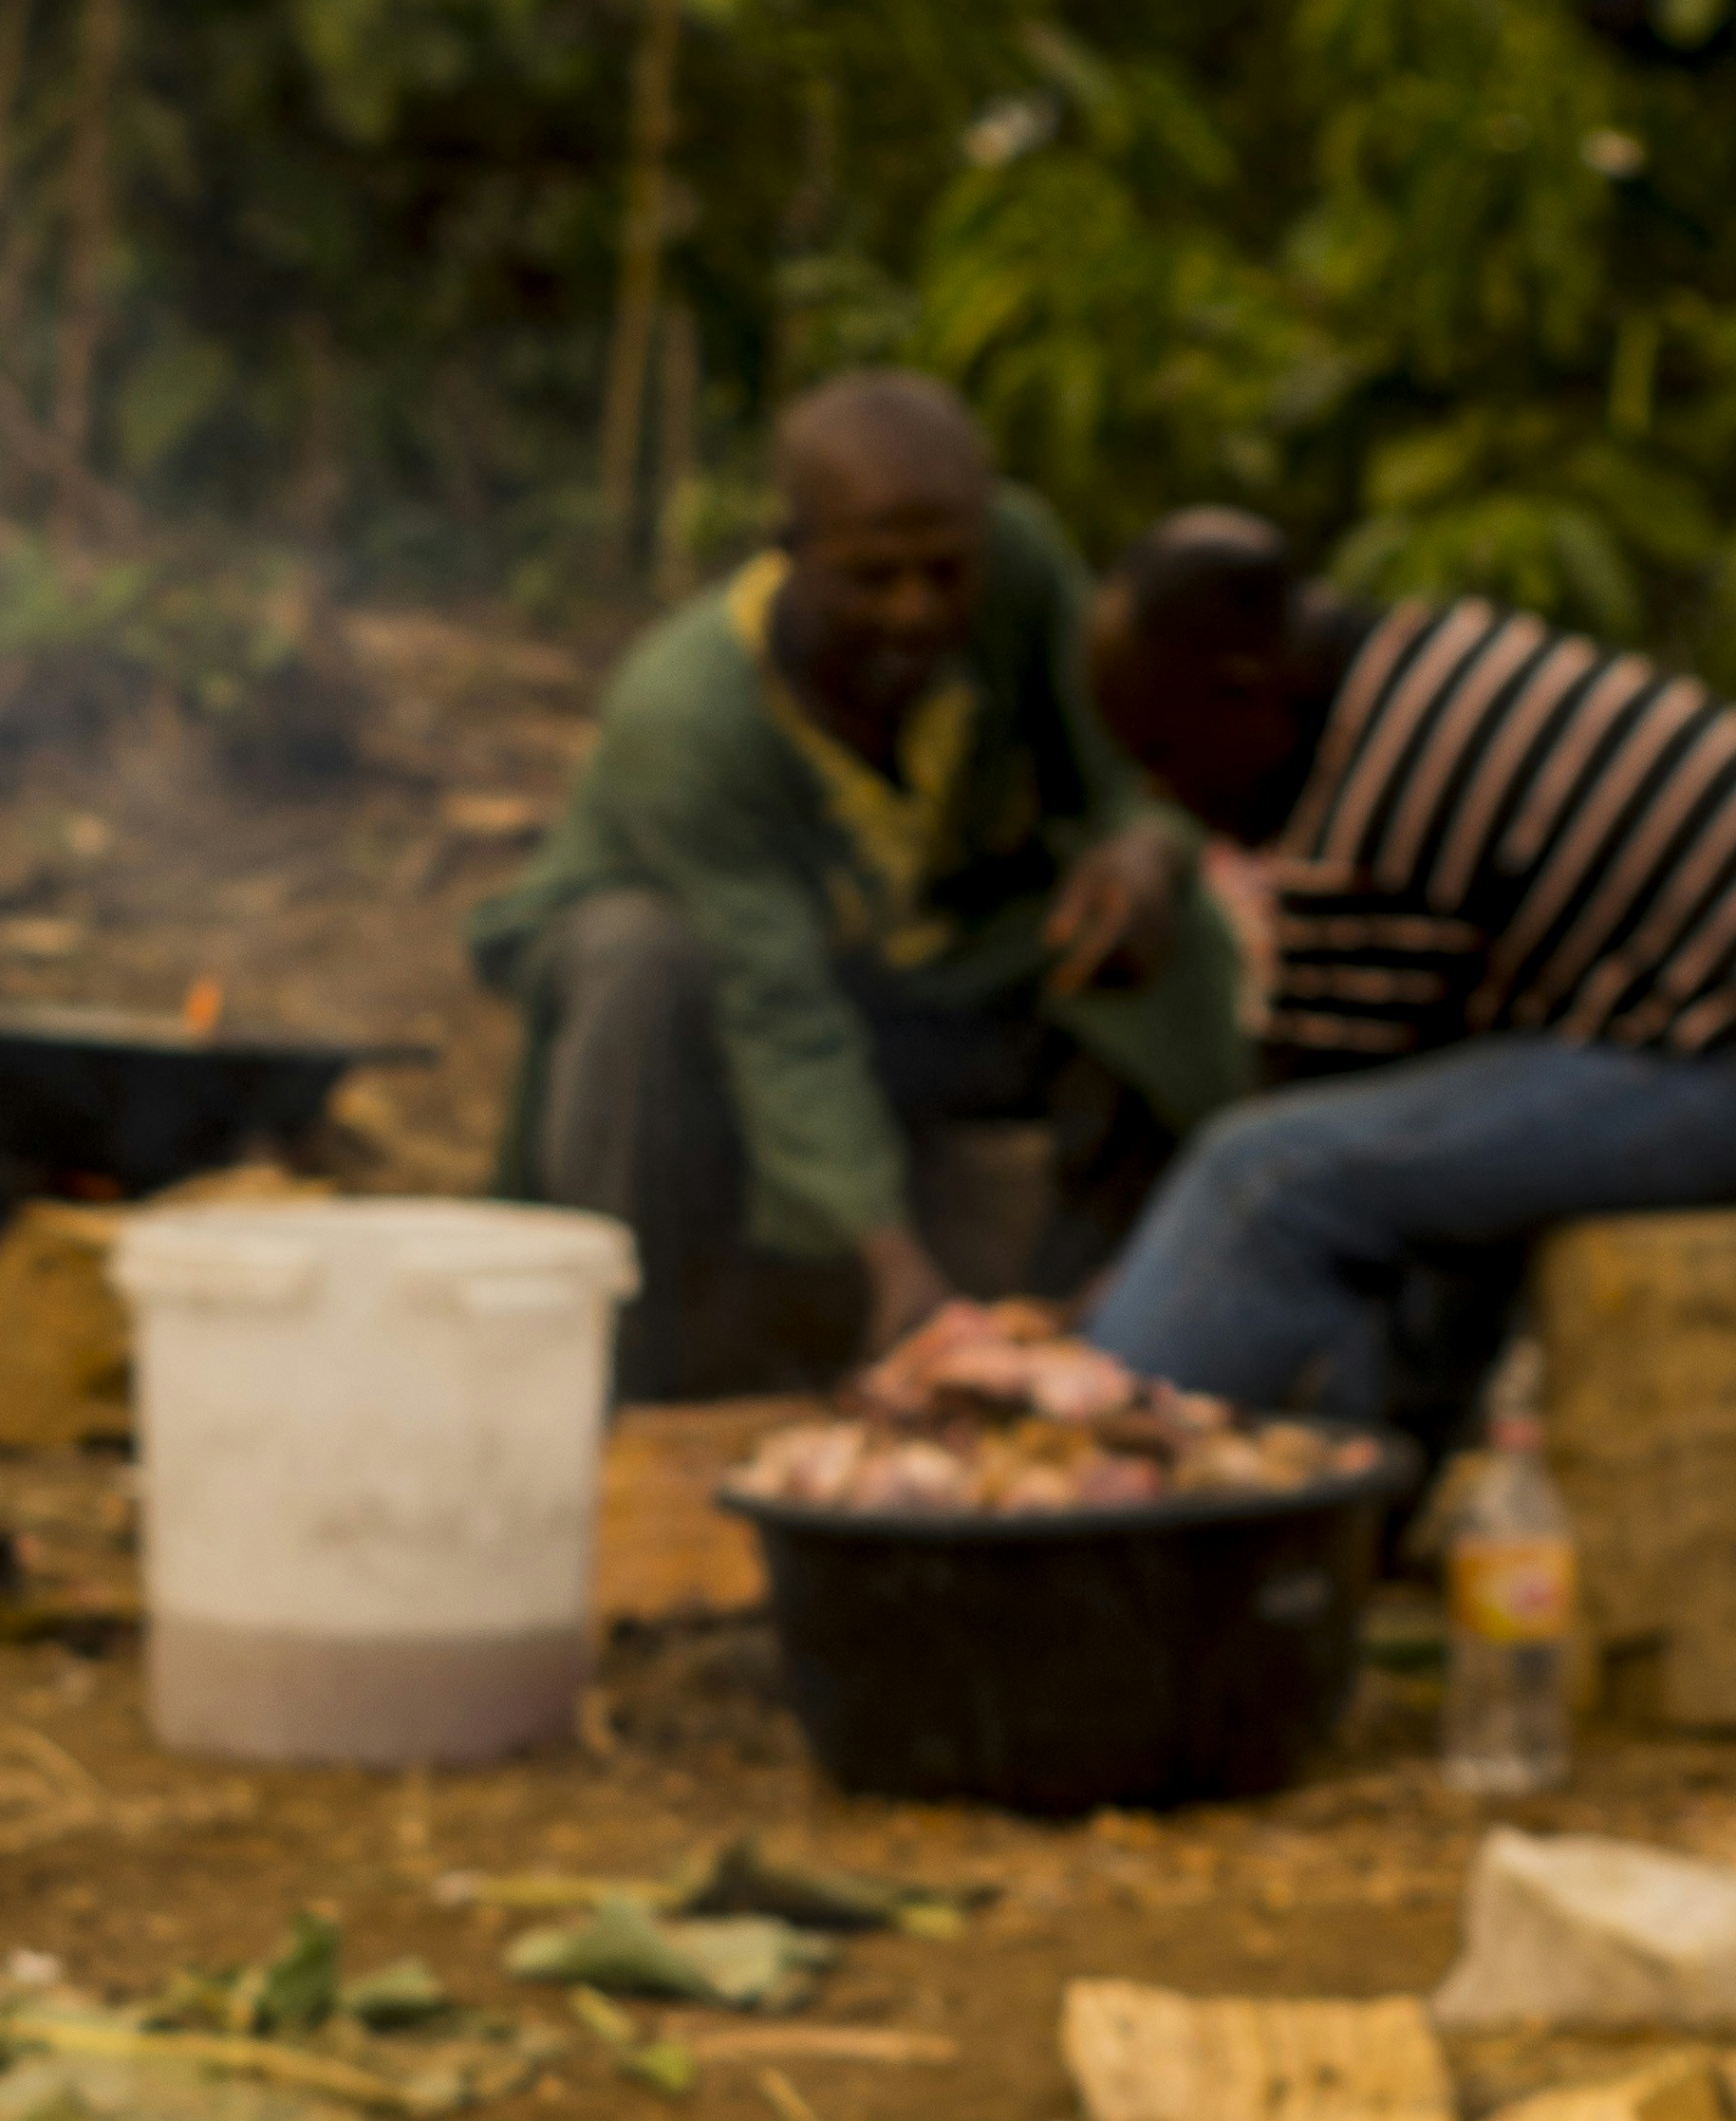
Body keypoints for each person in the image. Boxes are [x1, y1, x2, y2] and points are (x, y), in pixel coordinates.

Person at [1080, 514, 1736, 1454]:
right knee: (1399, 1175)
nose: (1162, 798)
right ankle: (1384, 1496)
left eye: (1164, 756)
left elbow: (1308, 1115)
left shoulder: (1376, 797)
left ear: (1246, 696)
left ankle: (1085, 1483)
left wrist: (1122, 1320)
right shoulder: (1409, 667)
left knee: (1258, 1176)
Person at [476, 373, 1244, 1400]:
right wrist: (893, 1266)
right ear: (788, 552)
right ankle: (616, 1374)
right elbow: (778, 1012)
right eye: (869, 578)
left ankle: (1112, 1322)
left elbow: (1128, 764)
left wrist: (1145, 847)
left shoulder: (1019, 564)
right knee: (638, 956)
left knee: (1164, 920)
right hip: (720, 995)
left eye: (944, 574)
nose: (914, 611)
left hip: (924, 966)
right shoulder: (688, 712)